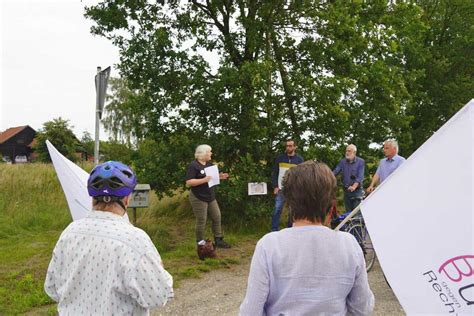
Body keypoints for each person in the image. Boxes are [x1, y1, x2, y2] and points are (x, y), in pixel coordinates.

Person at [240, 161, 375, 315]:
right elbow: (362, 307)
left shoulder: (269, 245)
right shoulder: (348, 244)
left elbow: (251, 311)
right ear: (332, 206)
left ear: (288, 203)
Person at [44, 161, 174, 315]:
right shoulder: (135, 240)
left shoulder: (70, 232)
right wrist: (160, 270)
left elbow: (52, 289)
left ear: (92, 197)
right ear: (126, 199)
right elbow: (158, 296)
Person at [185, 144, 231, 250]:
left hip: (210, 196)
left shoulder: (209, 164)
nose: (211, 153)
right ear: (203, 153)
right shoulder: (194, 165)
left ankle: (218, 240)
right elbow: (189, 182)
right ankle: (201, 243)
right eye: (209, 152)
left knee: (217, 216)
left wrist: (220, 177)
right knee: (202, 220)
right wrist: (203, 180)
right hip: (198, 197)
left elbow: (212, 178)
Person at [270, 139, 304, 231]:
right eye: (287, 146)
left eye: (290, 146)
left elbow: (301, 175)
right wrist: (275, 186)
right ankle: (274, 229)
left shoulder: (299, 160)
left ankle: (290, 229)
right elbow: (274, 173)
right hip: (281, 189)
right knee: (277, 209)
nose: (288, 147)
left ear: (295, 147)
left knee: (292, 211)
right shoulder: (280, 158)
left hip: (293, 190)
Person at [333, 144, 365, 212]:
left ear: (354, 152)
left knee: (355, 214)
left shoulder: (361, 162)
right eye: (346, 151)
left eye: (349, 151)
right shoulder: (342, 162)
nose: (347, 152)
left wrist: (354, 186)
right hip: (346, 191)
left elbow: (360, 176)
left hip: (357, 191)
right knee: (348, 214)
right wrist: (326, 176)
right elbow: (335, 171)